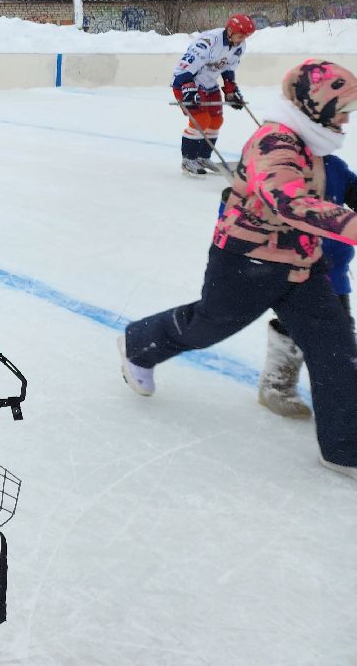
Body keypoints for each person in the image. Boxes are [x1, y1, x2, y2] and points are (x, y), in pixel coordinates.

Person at [120, 59, 357, 483]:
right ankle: (139, 343)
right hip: (248, 262)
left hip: (302, 264)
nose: (346, 118)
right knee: (208, 326)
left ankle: (346, 448)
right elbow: (289, 202)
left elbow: (338, 182)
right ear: (314, 103)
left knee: (336, 347)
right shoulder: (275, 142)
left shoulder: (315, 142)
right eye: (341, 108)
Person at [256, 151, 357, 418]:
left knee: (341, 332)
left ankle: (343, 399)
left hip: (334, 269)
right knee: (296, 328)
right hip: (298, 268)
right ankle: (276, 384)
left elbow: (350, 186)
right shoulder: (281, 164)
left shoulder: (332, 165)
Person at [172, 13, 256, 175]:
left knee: (216, 120)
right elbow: (184, 69)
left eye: (245, 37)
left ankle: (203, 157)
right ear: (230, 30)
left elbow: (228, 68)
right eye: (240, 36)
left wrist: (231, 89)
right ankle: (188, 159)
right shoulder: (209, 42)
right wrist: (188, 89)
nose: (242, 40)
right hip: (187, 83)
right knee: (201, 120)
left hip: (210, 84)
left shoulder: (240, 46)